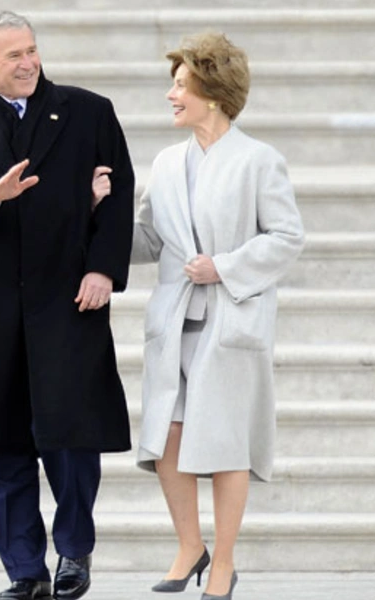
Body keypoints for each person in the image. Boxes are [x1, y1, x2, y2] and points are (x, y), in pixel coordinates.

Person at [0, 11, 134, 600]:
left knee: (71, 433)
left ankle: (73, 550)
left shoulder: (87, 110)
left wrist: (102, 269)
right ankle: (24, 568)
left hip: (70, 296)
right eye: (13, 55)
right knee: (6, 439)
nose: (27, 63)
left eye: (32, 51)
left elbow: (117, 197)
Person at [95, 31, 304, 600]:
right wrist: (98, 213)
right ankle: (190, 545)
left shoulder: (259, 161)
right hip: (175, 321)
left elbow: (288, 237)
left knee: (226, 444)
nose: (171, 95)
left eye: (181, 85)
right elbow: (147, 240)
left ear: (212, 93)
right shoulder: (166, 162)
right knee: (168, 439)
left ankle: (224, 563)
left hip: (230, 321)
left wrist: (227, 267)